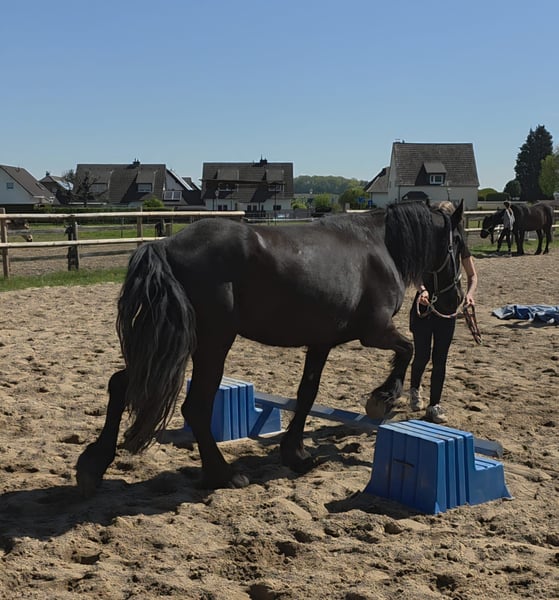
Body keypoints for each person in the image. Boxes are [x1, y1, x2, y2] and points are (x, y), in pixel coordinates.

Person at [408, 201, 478, 423]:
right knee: (422, 355)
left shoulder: (458, 242)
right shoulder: (426, 243)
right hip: (425, 305)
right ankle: (414, 389)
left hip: (448, 307)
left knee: (440, 358)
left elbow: (472, 275)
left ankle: (434, 405)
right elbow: (415, 274)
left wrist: (469, 295)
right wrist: (422, 290)